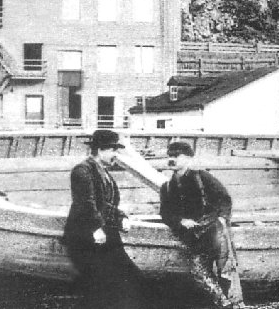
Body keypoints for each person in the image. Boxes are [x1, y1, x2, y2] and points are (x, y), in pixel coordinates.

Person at [63, 129, 146, 309]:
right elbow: (86, 203)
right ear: (101, 150)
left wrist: (122, 217)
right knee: (105, 285)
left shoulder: (104, 172)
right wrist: (96, 228)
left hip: (105, 234)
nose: (116, 155)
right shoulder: (82, 171)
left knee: (129, 278)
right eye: (113, 150)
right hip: (87, 236)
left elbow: (109, 204)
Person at [159, 141, 244, 309]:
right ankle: (223, 303)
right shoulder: (167, 187)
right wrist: (180, 221)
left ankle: (234, 302)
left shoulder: (202, 178)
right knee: (200, 271)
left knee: (225, 268)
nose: (172, 160)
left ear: (189, 158)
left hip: (213, 230)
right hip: (192, 236)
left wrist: (221, 219)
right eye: (170, 156)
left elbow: (224, 199)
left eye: (177, 156)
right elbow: (165, 213)